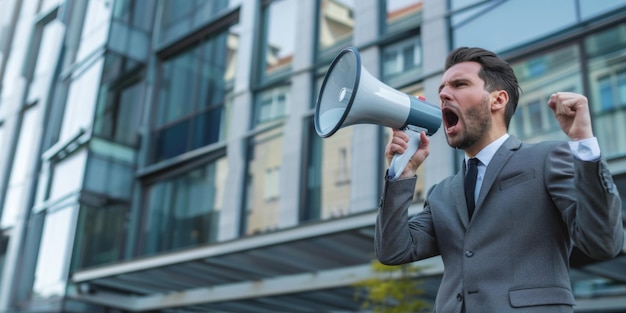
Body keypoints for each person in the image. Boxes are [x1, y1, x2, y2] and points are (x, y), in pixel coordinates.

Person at [375, 47, 624, 313]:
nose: (444, 95)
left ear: (498, 100)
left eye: (459, 84)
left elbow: (603, 242)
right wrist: (401, 174)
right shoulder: (441, 194)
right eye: (442, 89)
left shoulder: (547, 158)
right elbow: (393, 251)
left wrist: (583, 143)